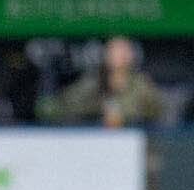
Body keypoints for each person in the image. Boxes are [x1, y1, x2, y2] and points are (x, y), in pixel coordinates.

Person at [36, 35, 165, 127]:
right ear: (106, 53)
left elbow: (158, 112)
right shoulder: (92, 81)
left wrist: (128, 117)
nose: (120, 54)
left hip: (134, 139)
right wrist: (96, 110)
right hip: (95, 139)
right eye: (114, 49)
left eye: (124, 50)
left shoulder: (141, 83)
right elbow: (65, 106)